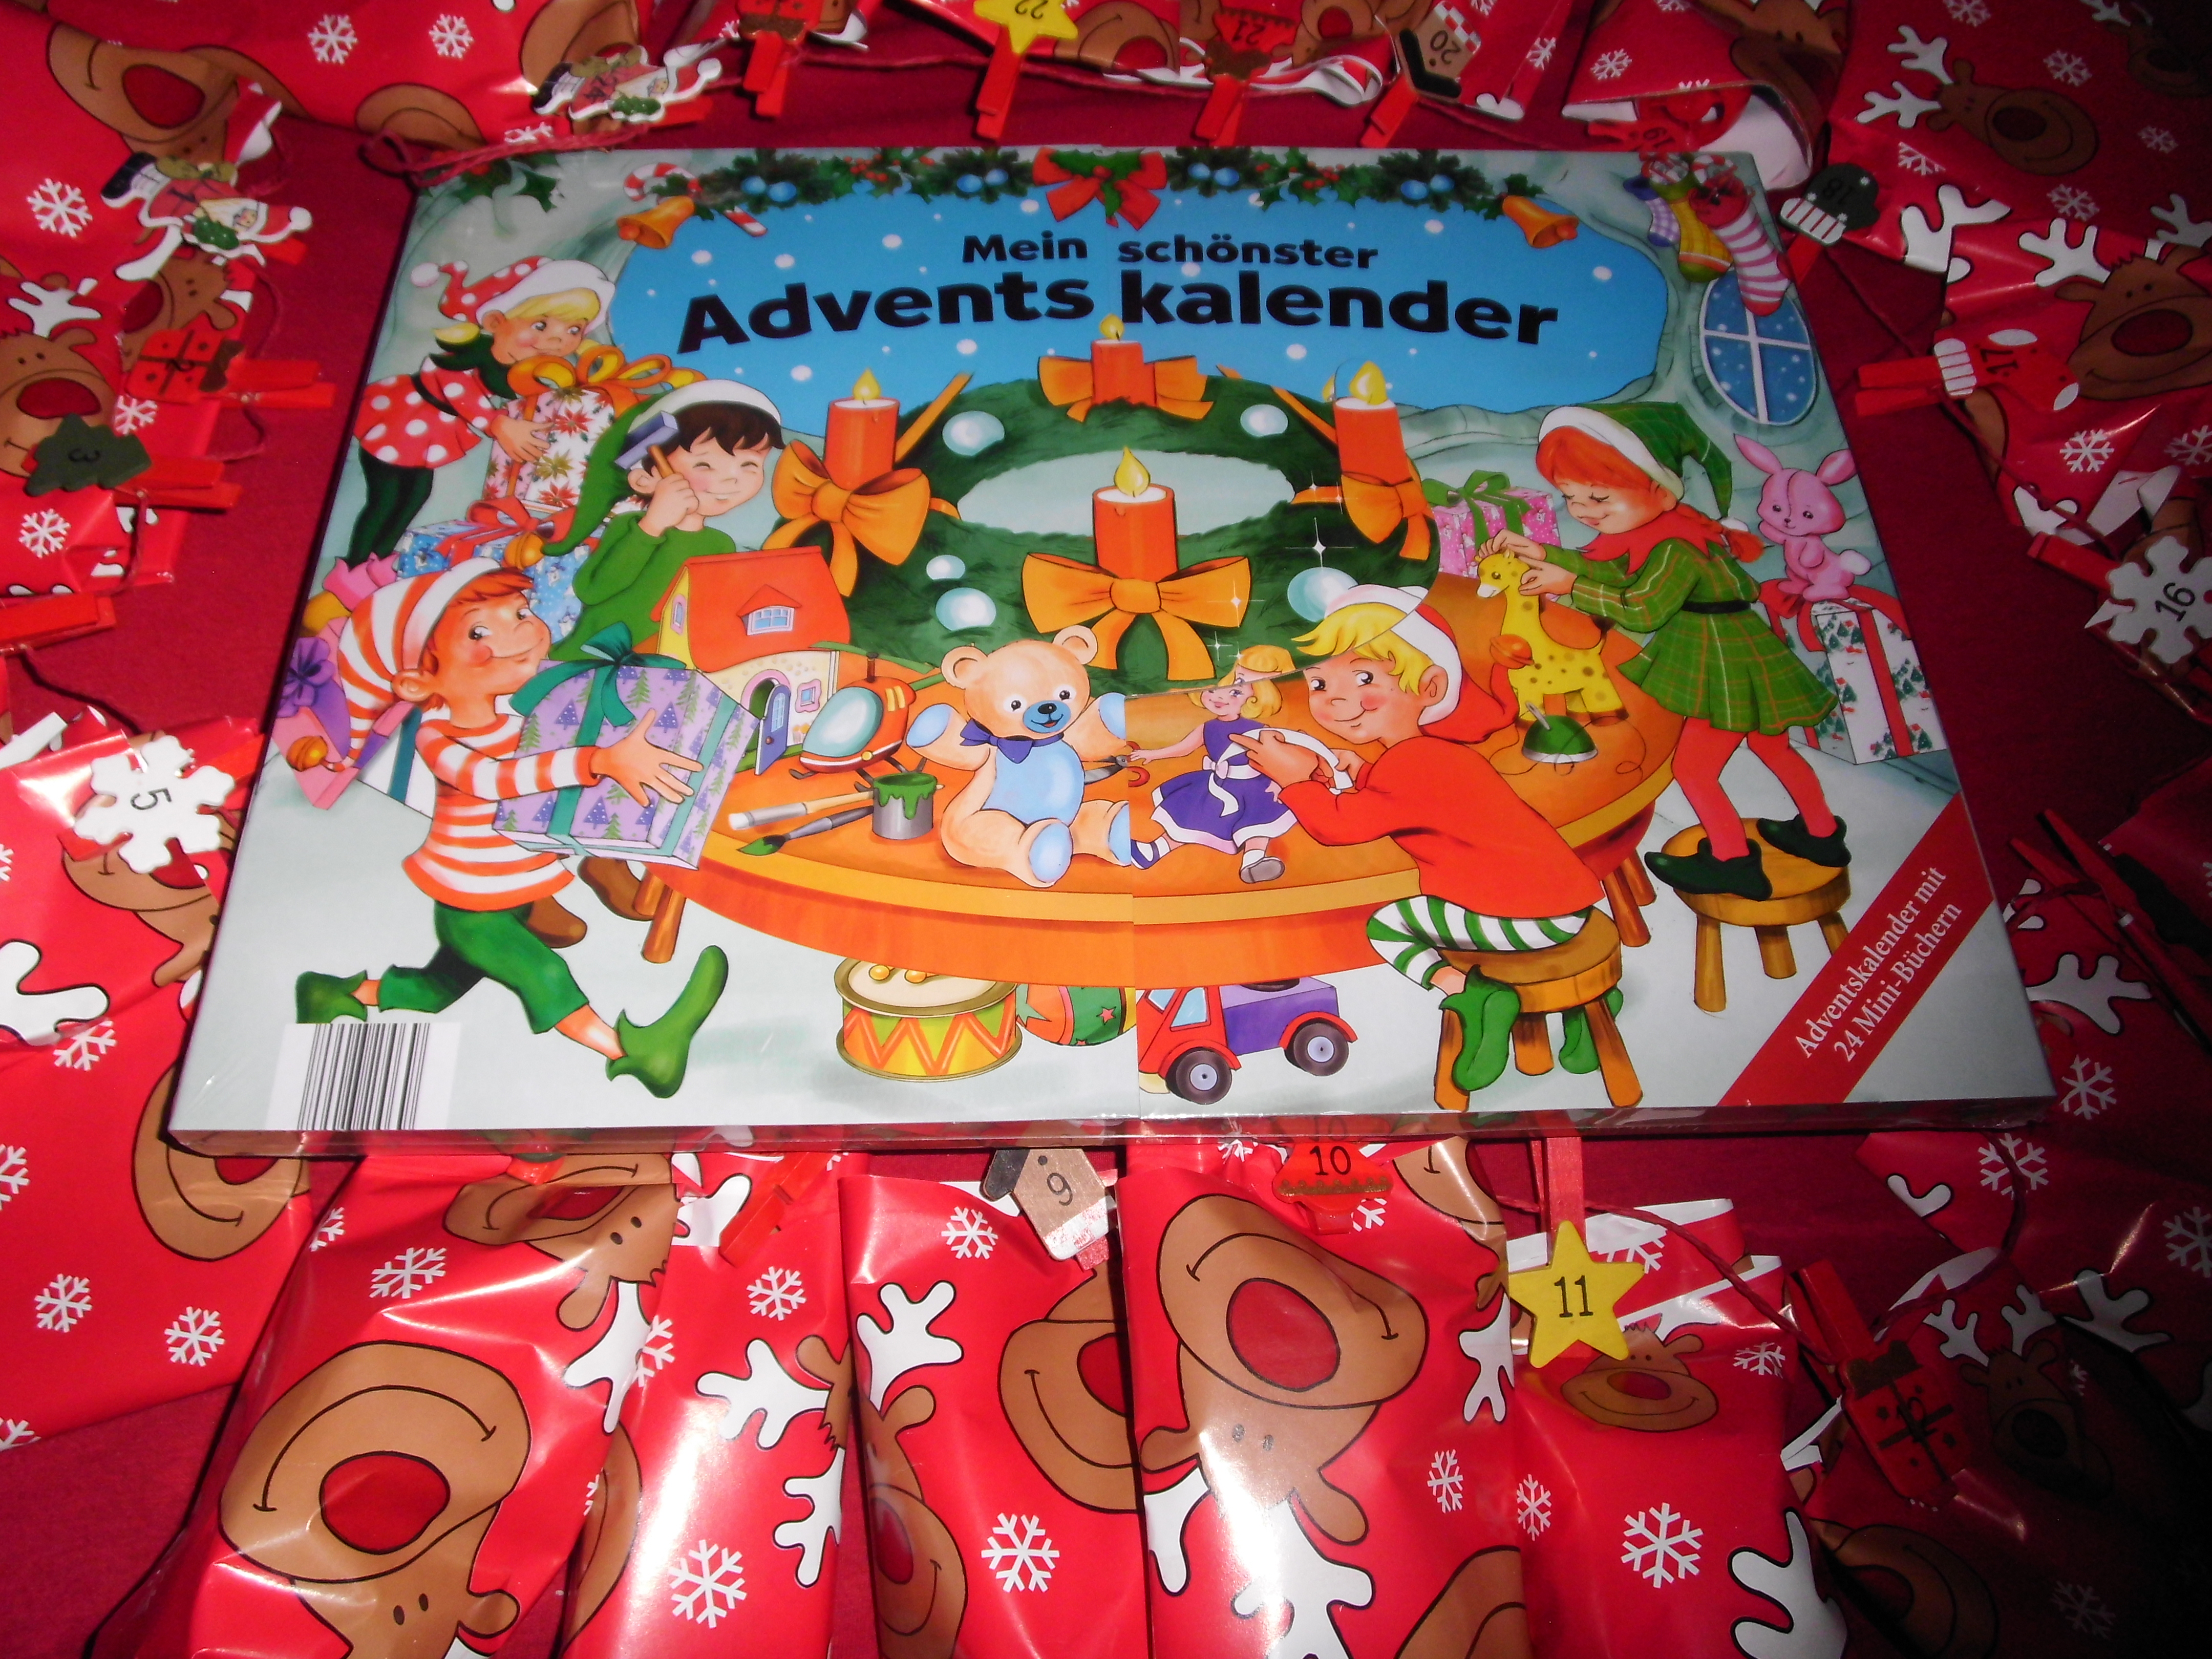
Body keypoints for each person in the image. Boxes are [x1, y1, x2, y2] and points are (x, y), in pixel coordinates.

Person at [293, 560, 727, 1097]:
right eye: (479, 633)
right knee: (542, 976)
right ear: (415, 681)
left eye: (520, 613)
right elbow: (495, 780)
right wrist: (596, 761)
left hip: (512, 891)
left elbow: (551, 781)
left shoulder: (519, 721)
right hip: (470, 903)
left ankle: (335, 993)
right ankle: (633, 1052)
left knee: (435, 990)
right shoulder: (440, 736)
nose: (523, 630)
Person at [1233, 586, 1607, 1093]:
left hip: (1530, 919)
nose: (1335, 699)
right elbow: (1413, 801)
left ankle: (1469, 993)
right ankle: (1586, 1017)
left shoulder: (1410, 767)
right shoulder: (1433, 755)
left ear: (1430, 687)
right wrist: (1363, 774)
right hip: (1568, 904)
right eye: (1319, 682)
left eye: (1364, 678)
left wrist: (1297, 781)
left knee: (1389, 926)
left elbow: (1339, 828)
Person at [1496, 403, 1845, 902]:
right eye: (1571, 497)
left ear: (1661, 490)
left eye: (1599, 496)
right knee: (1774, 748)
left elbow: (1642, 609)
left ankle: (1734, 863)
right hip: (1743, 652)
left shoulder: (1676, 548)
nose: (1584, 510)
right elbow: (1615, 569)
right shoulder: (1672, 530)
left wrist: (1569, 584)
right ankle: (1822, 834)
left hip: (1725, 664)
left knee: (1695, 770)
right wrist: (1545, 554)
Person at [347, 258, 615, 567]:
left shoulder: (516, 367)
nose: (557, 339)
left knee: (414, 496)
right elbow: (453, 386)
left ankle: (375, 563)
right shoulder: (466, 357)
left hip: (428, 431)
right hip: (401, 419)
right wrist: (497, 424)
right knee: (386, 500)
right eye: (540, 325)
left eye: (574, 329)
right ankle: (355, 566)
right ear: (496, 322)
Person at [548, 380, 783, 661]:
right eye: (704, 465)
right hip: (591, 659)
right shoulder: (630, 527)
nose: (732, 479)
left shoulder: (720, 545)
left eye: (749, 465)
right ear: (645, 480)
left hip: (665, 664)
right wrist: (652, 527)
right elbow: (591, 590)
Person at [1129, 644, 1299, 882]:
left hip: (1256, 786)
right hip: (1218, 785)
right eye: (1214, 690)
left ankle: (1254, 862)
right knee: (1191, 817)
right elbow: (1184, 748)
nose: (1220, 698)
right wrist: (1153, 754)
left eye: (1235, 693)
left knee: (1257, 822)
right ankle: (1154, 850)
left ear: (1254, 698)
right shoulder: (1208, 727)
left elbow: (1278, 757)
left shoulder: (1259, 729)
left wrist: (1280, 783)